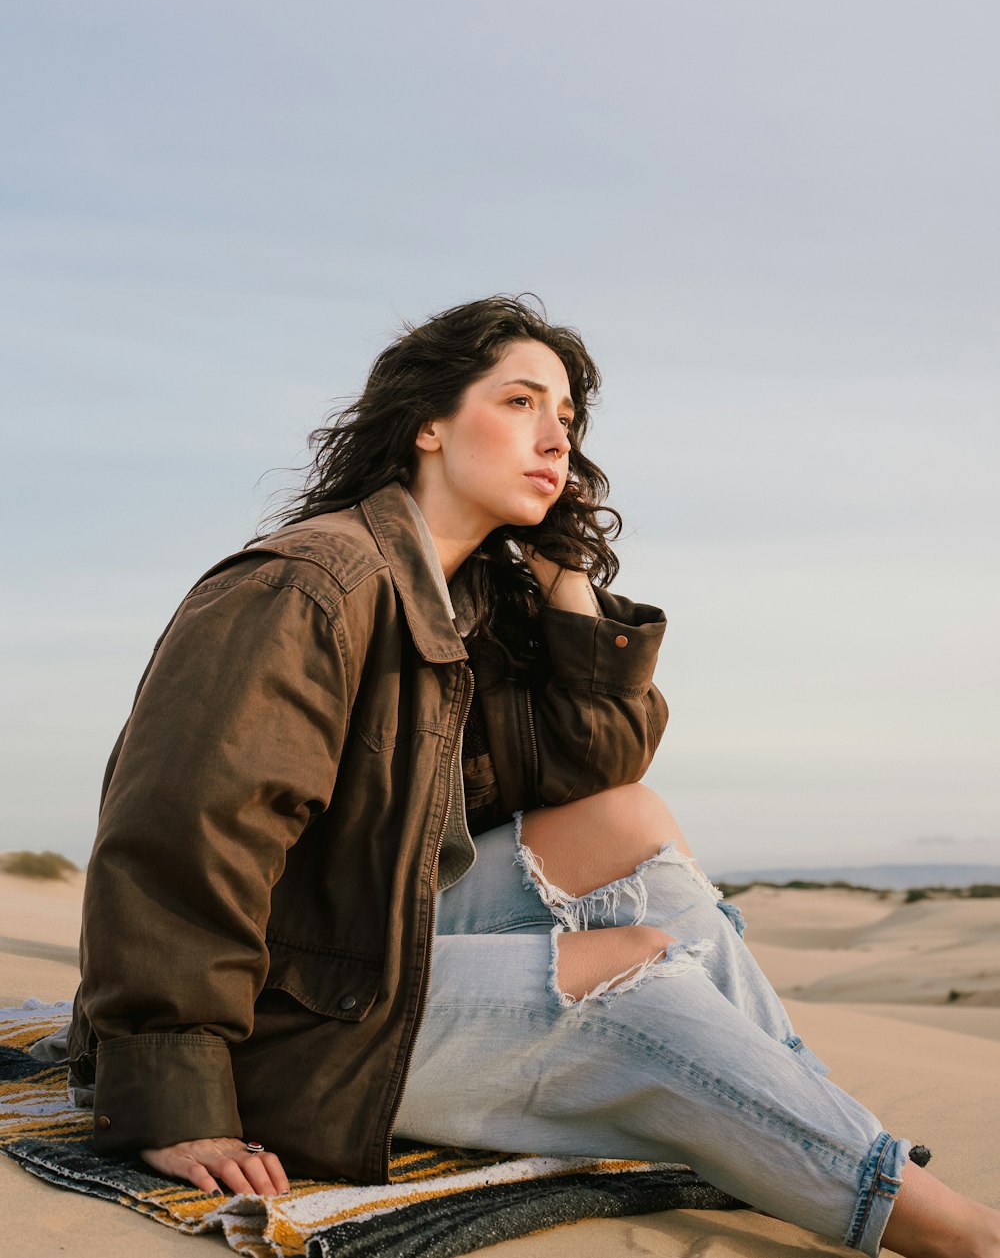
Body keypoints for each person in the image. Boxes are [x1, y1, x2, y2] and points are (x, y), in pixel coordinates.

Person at [66, 296, 999, 1257]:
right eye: (520, 401)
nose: (555, 437)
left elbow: (592, 768)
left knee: (633, 823)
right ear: (428, 423)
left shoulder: (470, 597)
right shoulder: (310, 585)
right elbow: (181, 842)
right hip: (270, 1017)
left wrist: (567, 579)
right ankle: (949, 1228)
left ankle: (831, 1133)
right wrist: (176, 1089)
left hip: (351, 940)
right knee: (631, 970)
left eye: (567, 417)